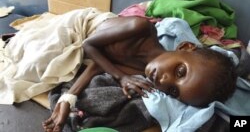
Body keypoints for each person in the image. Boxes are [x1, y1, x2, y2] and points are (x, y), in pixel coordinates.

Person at [42, 16, 237, 132]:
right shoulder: (141, 28)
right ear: (185, 47)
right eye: (180, 71)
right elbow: (89, 45)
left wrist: (67, 100)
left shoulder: (143, 72)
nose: (163, 81)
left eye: (173, 91)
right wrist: (121, 77)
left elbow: (98, 66)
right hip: (87, 24)